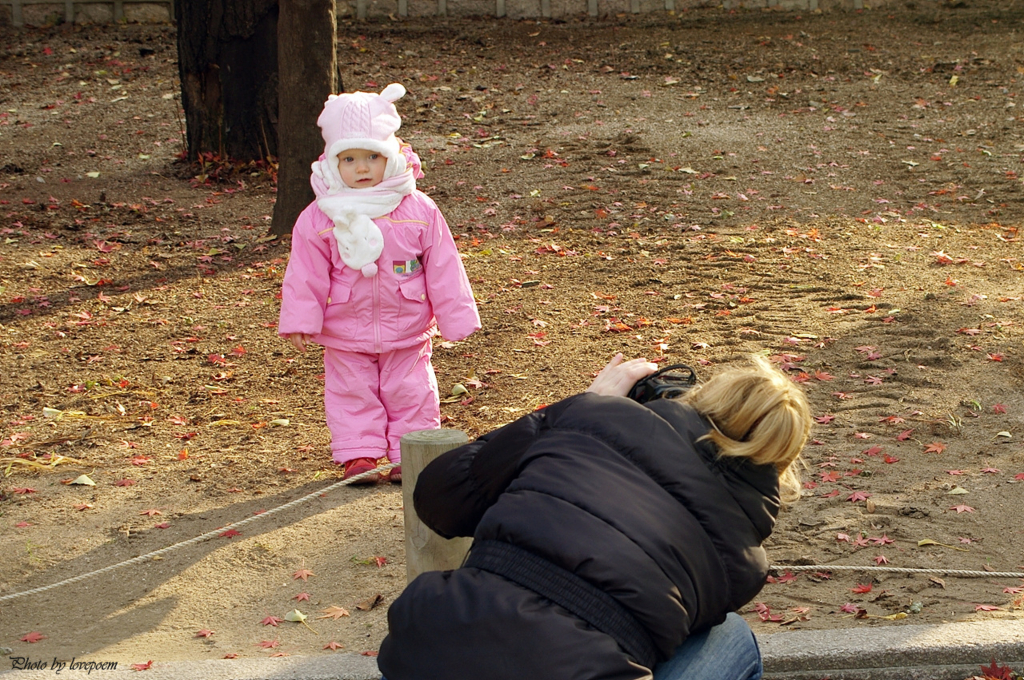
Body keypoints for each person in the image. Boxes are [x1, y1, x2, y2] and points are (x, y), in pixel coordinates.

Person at [377, 353, 810, 680]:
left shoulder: (589, 414)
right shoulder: (746, 564)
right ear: (779, 464)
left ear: (702, 398)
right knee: (731, 635)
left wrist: (578, 407)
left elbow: (439, 499)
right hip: (577, 667)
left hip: (433, 645)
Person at [278, 83, 480, 484]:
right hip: (344, 326)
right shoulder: (319, 217)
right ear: (333, 163)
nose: (362, 168)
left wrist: (455, 317)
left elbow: (443, 264)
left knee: (412, 390)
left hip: (407, 325)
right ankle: (360, 455)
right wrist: (302, 319)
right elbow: (305, 273)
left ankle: (411, 453)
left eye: (373, 156)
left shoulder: (418, 209)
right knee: (351, 391)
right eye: (349, 159)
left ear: (390, 156)